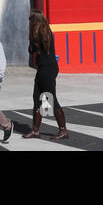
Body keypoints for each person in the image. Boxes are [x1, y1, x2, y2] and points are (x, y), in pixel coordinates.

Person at [24, 10, 67, 139]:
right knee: (37, 97)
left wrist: (31, 37)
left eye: (31, 20)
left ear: (35, 20)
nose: (30, 23)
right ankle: (35, 130)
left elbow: (31, 50)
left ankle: (63, 130)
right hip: (47, 67)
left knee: (50, 98)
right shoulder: (46, 30)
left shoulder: (38, 33)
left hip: (46, 69)